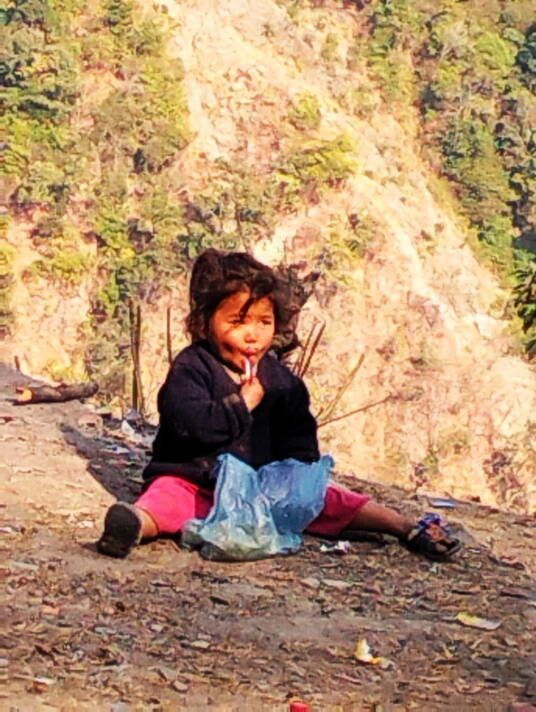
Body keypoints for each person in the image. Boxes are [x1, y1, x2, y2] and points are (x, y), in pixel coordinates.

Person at [97, 249, 461, 561]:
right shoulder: (193, 367)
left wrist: (298, 479)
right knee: (168, 499)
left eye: (264, 322)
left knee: (331, 500)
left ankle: (405, 527)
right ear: (205, 324)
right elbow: (189, 425)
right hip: (197, 482)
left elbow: (300, 437)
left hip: (264, 491)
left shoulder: (282, 382)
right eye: (238, 322)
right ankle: (135, 524)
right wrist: (240, 405)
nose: (252, 335)